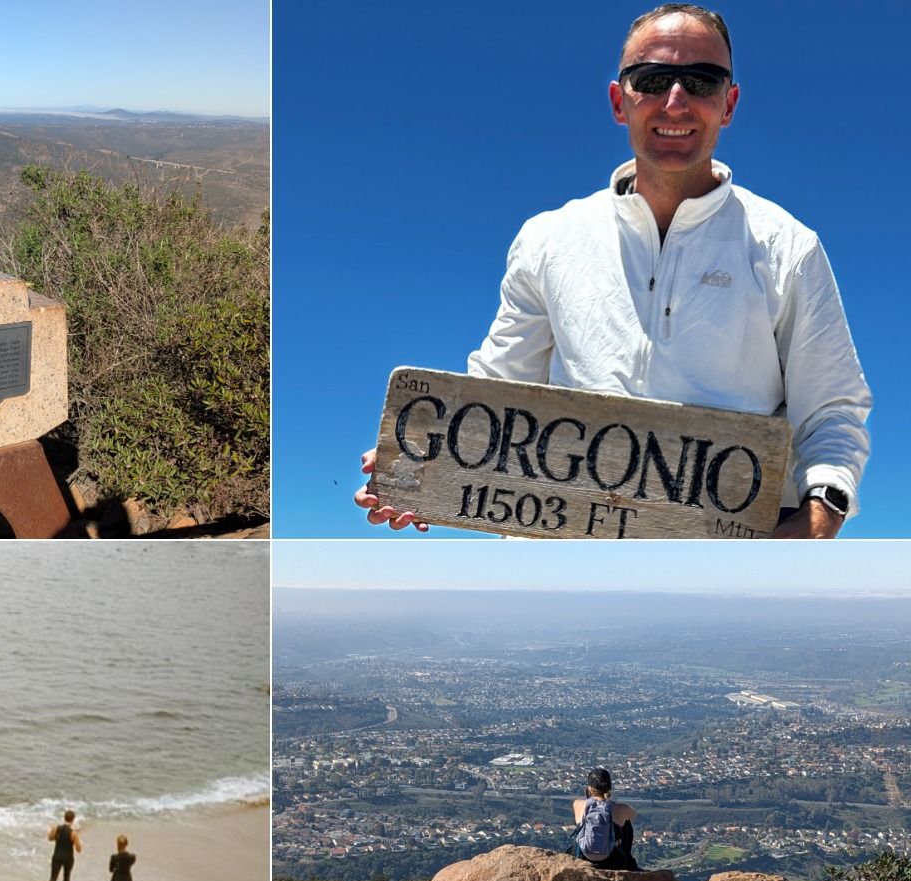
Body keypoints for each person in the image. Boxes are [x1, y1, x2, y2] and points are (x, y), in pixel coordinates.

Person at [358, 4, 870, 538]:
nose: (676, 100)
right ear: (618, 101)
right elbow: (501, 386)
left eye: (701, 80)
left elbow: (832, 410)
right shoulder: (548, 239)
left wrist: (819, 516)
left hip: (722, 567)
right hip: (558, 566)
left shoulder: (788, 247)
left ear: (729, 104)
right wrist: (422, 456)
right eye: (651, 79)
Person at [571, 767, 640, 871]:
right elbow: (633, 815)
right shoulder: (619, 808)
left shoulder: (578, 804)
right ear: (609, 788)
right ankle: (628, 860)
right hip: (611, 860)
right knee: (626, 824)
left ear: (589, 789)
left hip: (582, 856)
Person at [44, 809, 82, 881]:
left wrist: (56, 837)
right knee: (66, 877)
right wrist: (76, 840)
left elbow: (50, 838)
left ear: (64, 818)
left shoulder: (56, 828)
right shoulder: (73, 833)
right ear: (73, 820)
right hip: (68, 858)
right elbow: (79, 849)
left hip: (57, 856)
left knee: (53, 878)